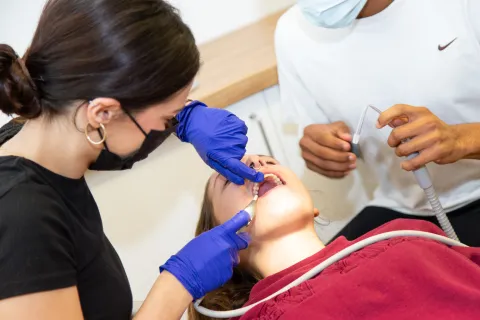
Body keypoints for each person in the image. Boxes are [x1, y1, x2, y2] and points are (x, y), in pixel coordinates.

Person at [0, 0, 265, 319]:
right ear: (101, 113)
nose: (165, 128)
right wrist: (177, 285)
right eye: (166, 118)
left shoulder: (40, 136)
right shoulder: (22, 217)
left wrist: (185, 116)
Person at [274, 0, 480, 245]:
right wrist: (325, 151)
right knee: (316, 280)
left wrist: (461, 140)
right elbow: (323, 134)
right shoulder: (293, 32)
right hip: (402, 212)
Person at [188, 155, 480, 320]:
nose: (253, 166)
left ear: (313, 208)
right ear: (223, 247)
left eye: (266, 160)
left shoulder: (407, 232)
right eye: (228, 176)